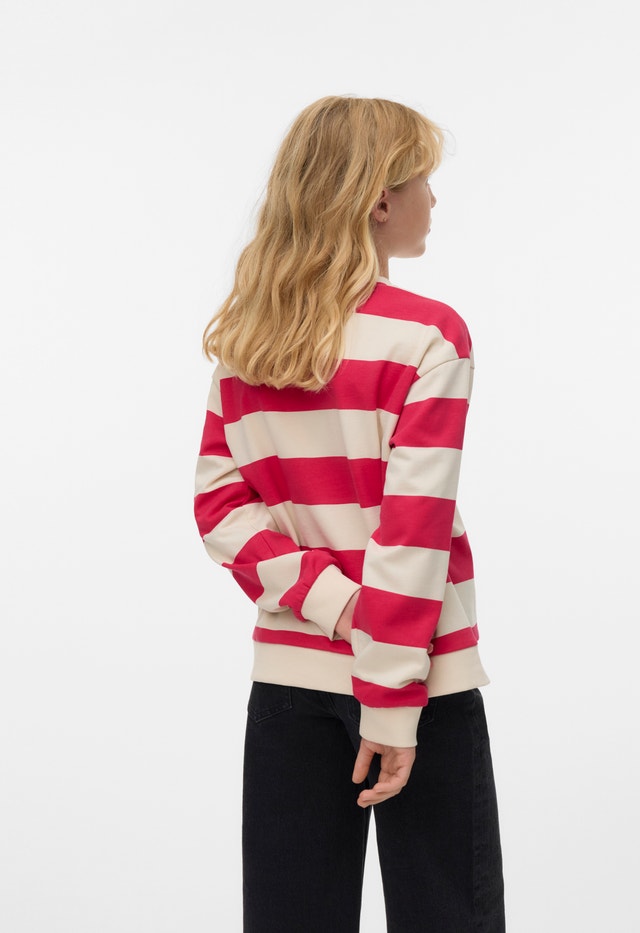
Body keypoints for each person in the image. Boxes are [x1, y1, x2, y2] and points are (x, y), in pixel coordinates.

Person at [194, 95, 505, 933]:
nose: (433, 198)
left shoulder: (250, 340)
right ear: (378, 201)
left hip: (291, 677)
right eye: (422, 180)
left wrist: (333, 605)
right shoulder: (429, 336)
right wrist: (392, 700)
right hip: (418, 682)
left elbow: (221, 509)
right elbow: (413, 533)